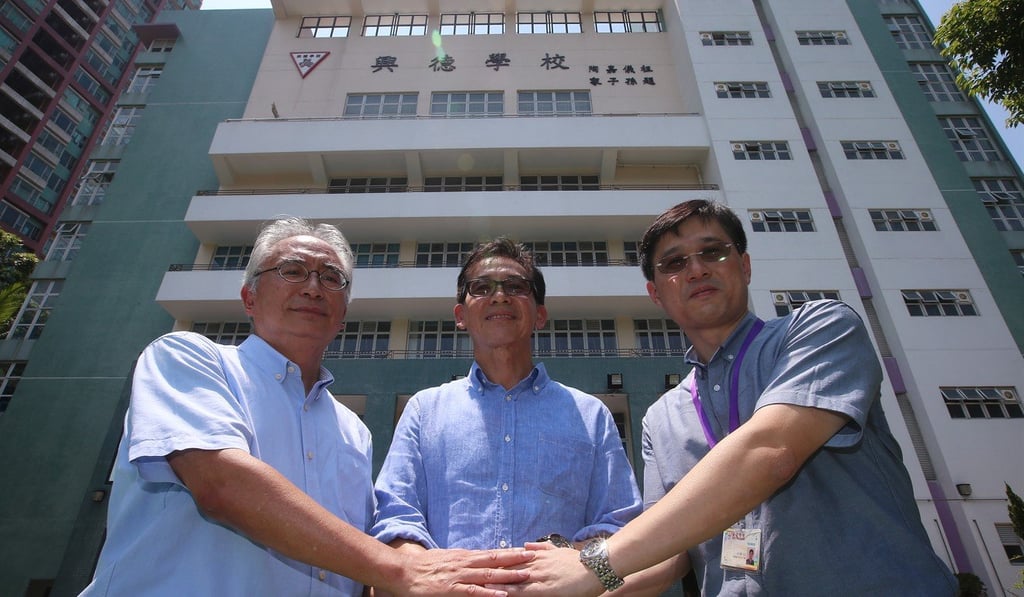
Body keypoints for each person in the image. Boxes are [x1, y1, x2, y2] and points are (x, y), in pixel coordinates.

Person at [497, 200, 957, 595]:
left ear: (745, 265)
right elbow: (664, 557)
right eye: (674, 262)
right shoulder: (662, 417)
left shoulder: (820, 329)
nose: (695, 268)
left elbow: (769, 452)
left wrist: (593, 564)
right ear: (655, 294)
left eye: (712, 252)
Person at [81, 217, 533, 597]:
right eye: (293, 271)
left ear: (343, 312)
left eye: (331, 278)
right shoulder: (188, 358)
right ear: (249, 297)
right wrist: (402, 571)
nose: (314, 287)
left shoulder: (353, 432)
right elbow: (220, 482)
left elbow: (351, 558)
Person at [370, 238, 642, 583]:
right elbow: (396, 520)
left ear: (540, 314)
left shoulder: (591, 415)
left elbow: (619, 524)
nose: (499, 296)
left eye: (515, 286)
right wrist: (434, 577)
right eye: (481, 287)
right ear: (460, 316)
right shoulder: (423, 411)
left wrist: (569, 565)